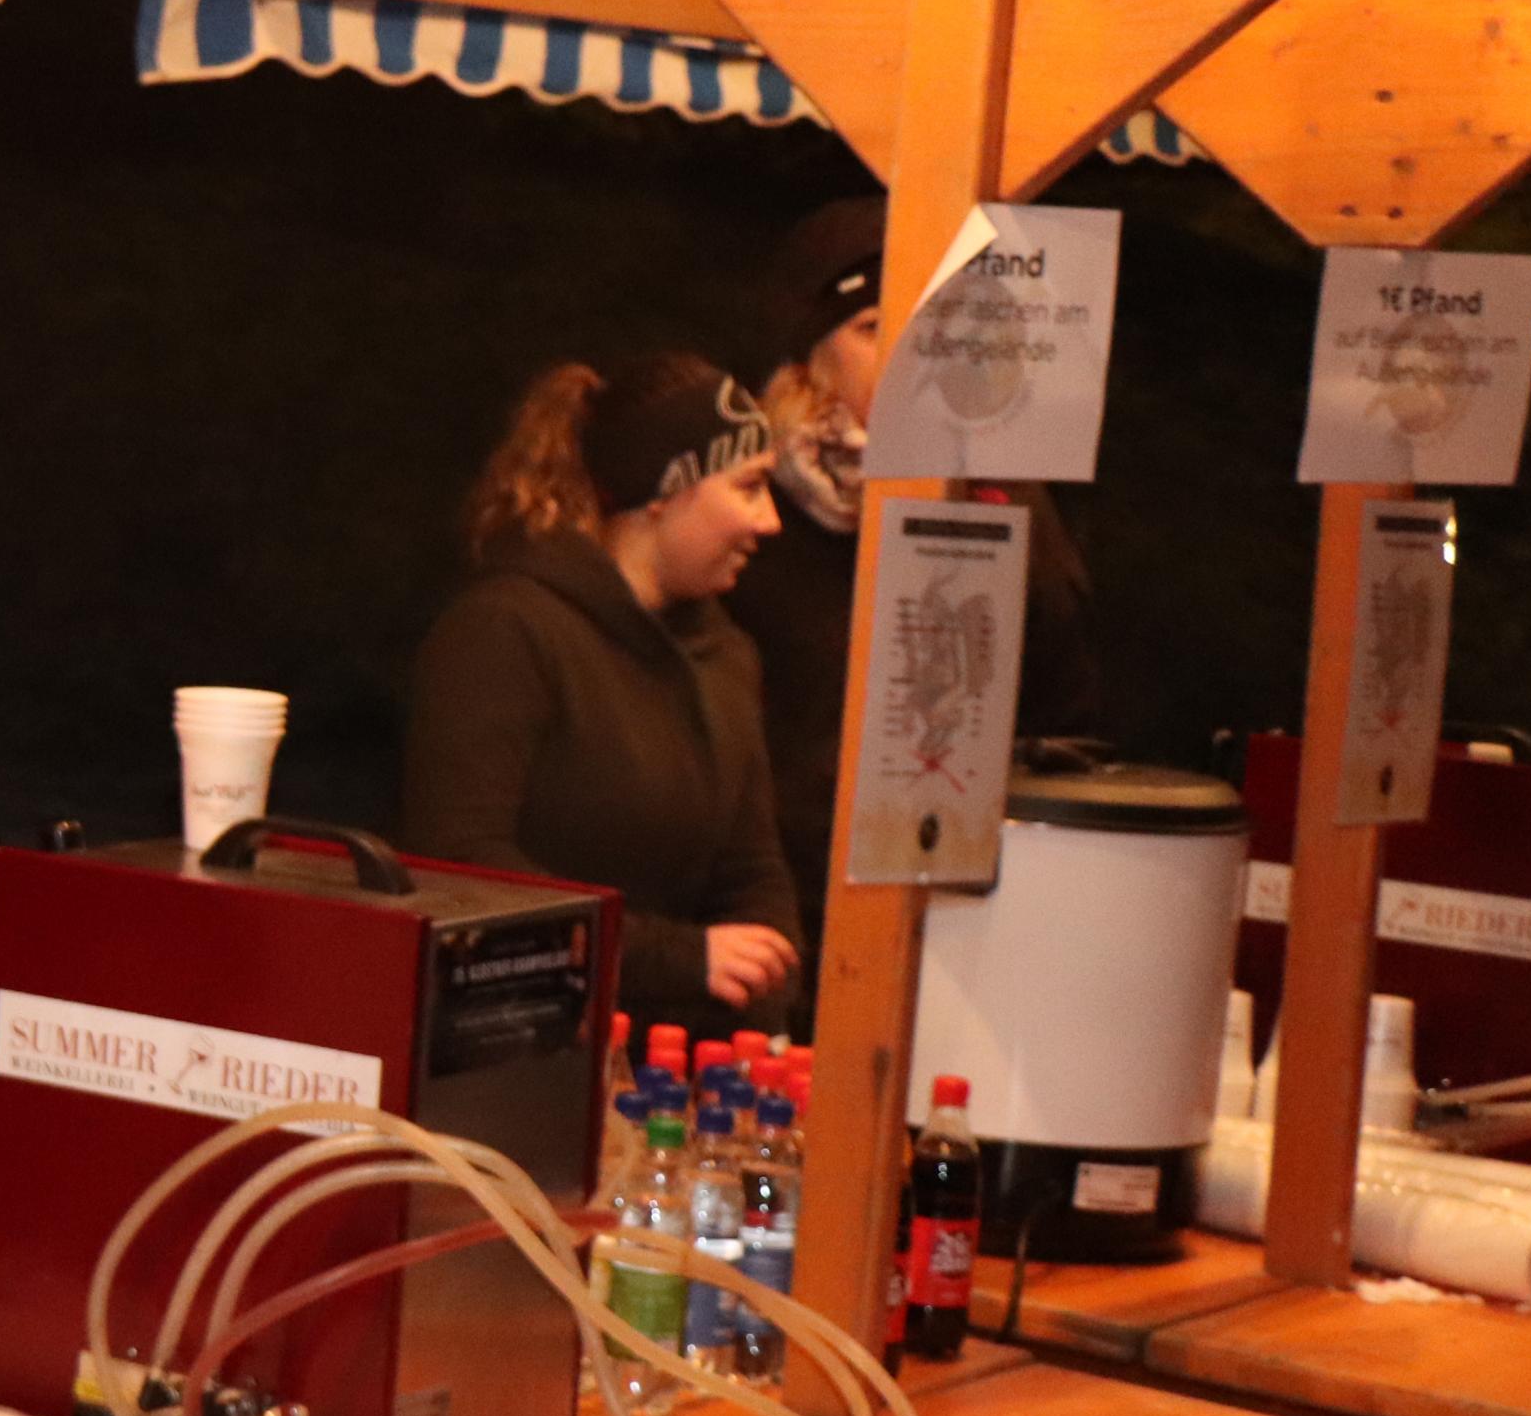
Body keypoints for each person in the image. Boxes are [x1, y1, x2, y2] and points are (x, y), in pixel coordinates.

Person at [403, 337, 804, 1043]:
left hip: (677, 1060)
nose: (768, 520)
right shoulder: (506, 632)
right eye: (747, 487)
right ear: (666, 491)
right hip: (520, 1046)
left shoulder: (725, 655)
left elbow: (752, 868)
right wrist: (681, 960)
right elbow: (460, 867)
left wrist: (764, 979)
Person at [727, 200, 1101, 945]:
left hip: (956, 897)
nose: (908, 352)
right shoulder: (750, 500)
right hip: (777, 908)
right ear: (809, 357)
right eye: (873, 327)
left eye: (930, 328)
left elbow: (1063, 695)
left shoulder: (1000, 494)